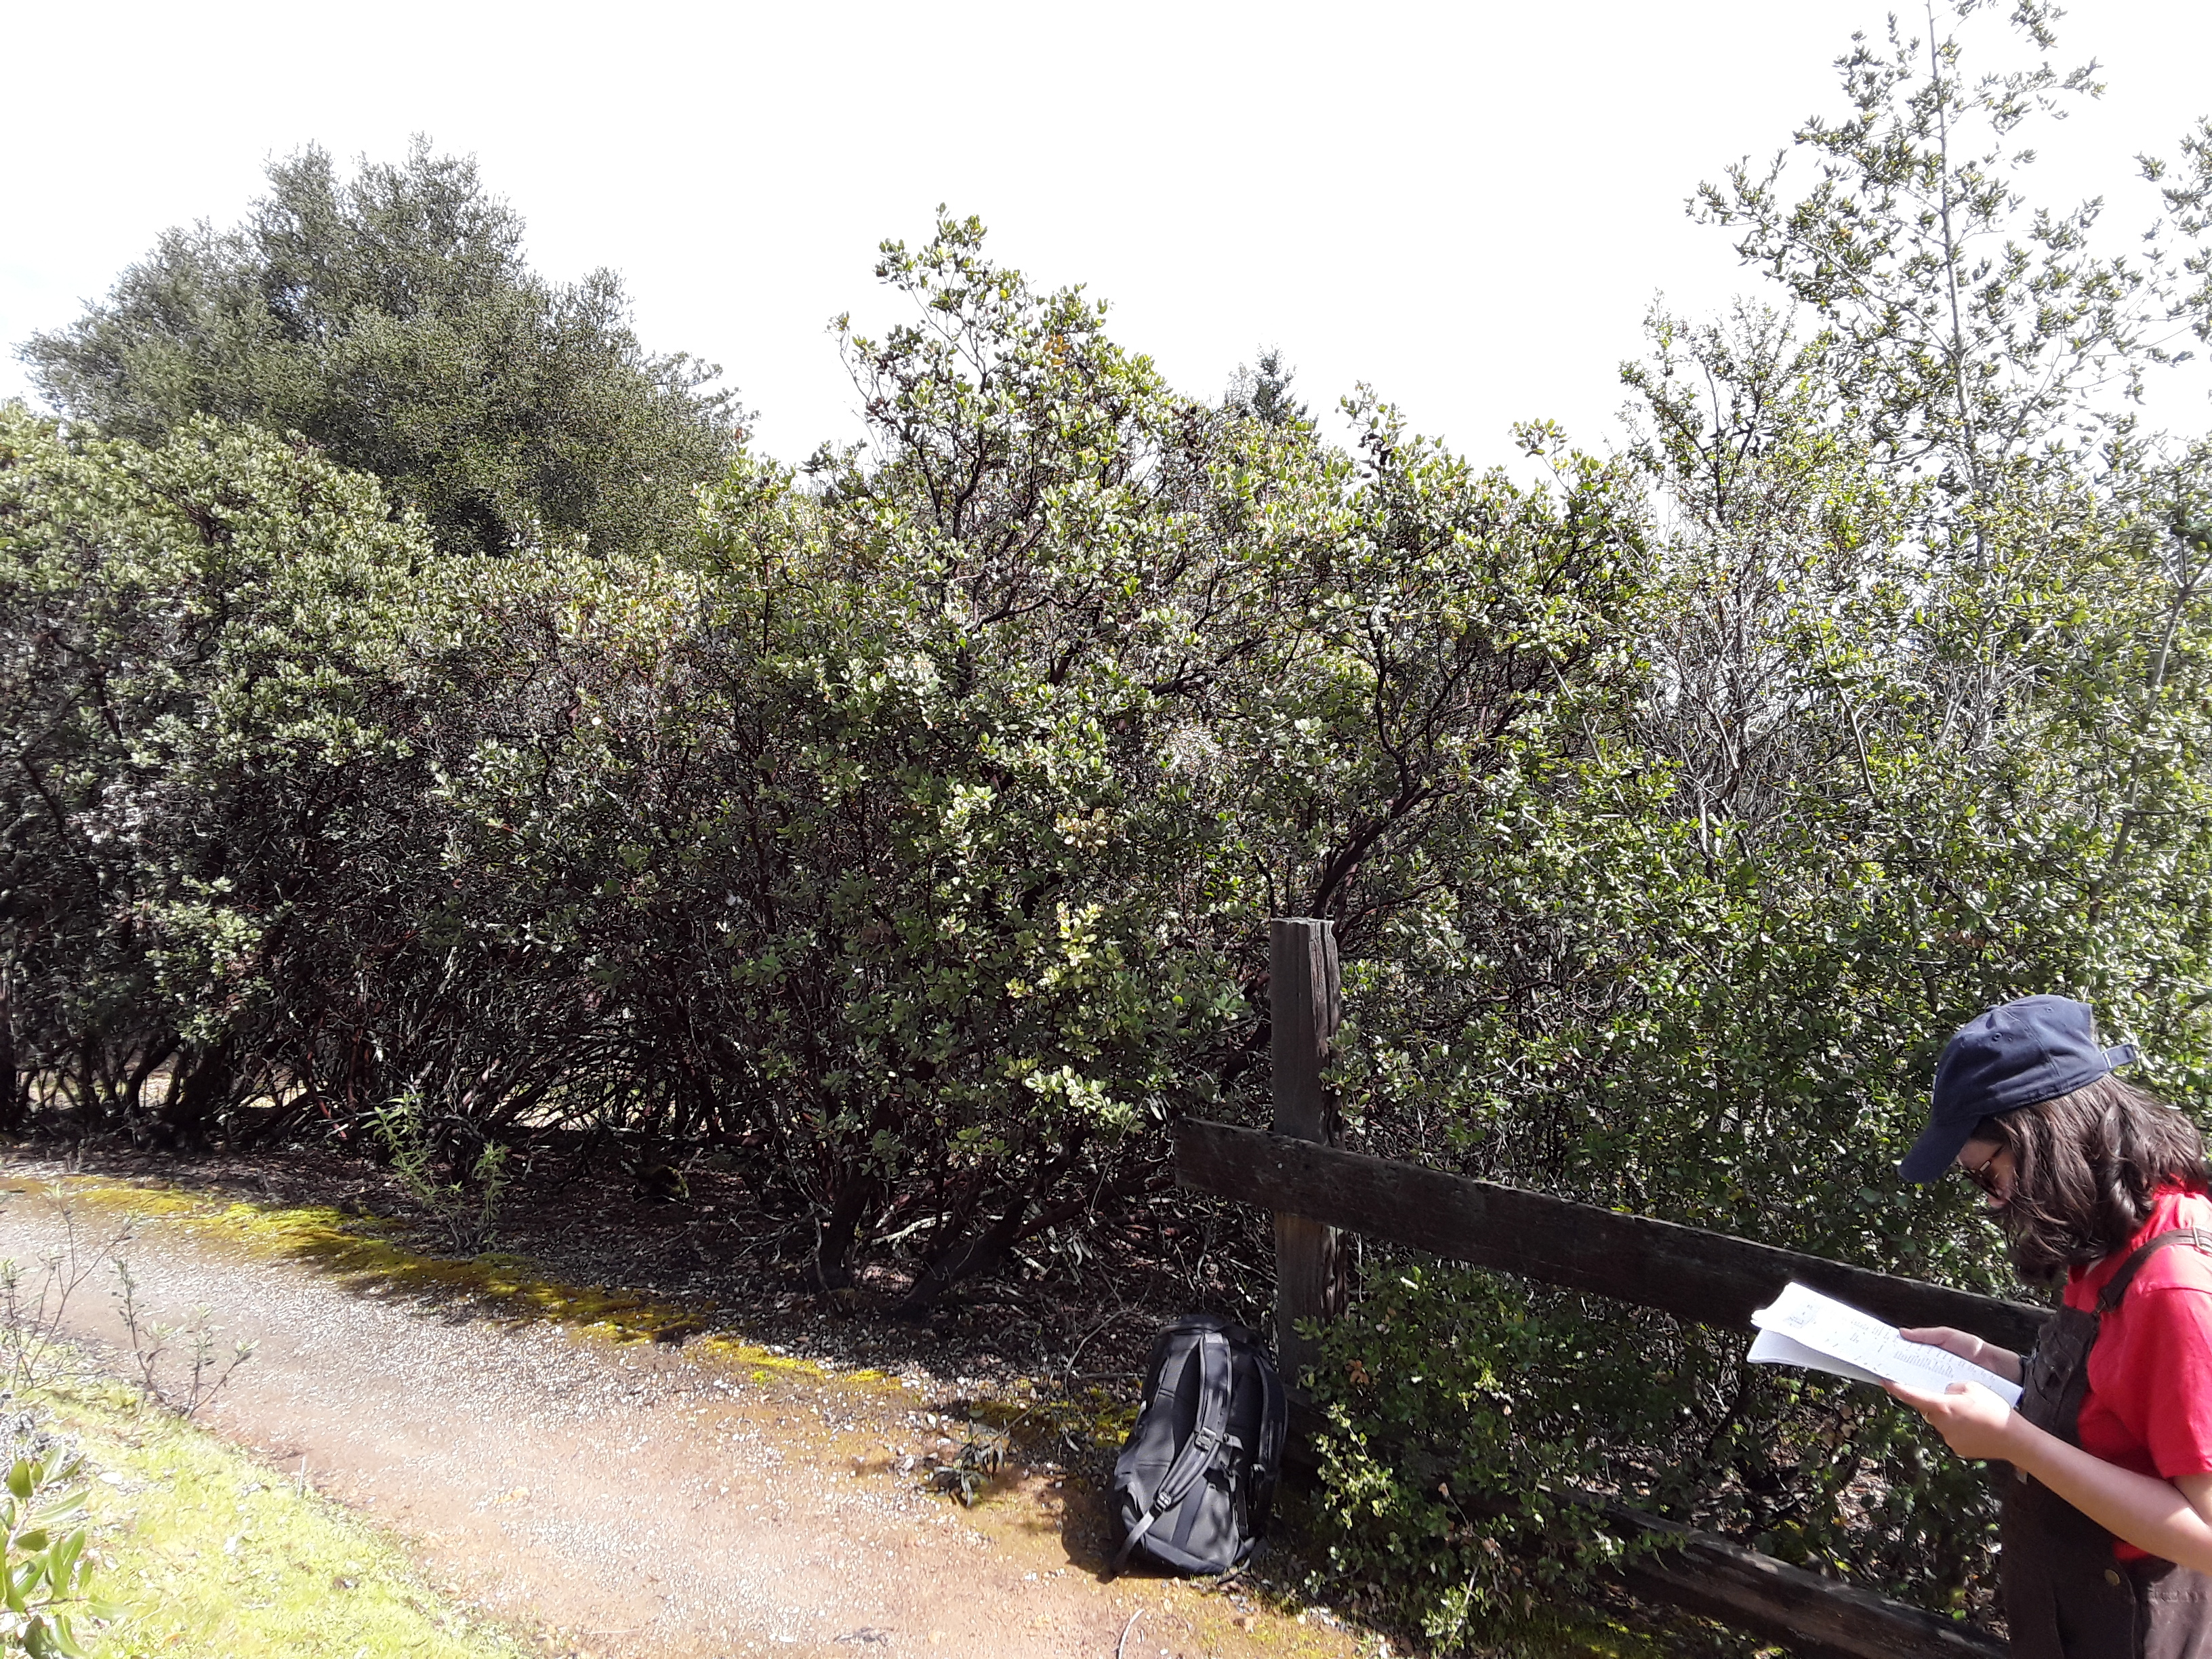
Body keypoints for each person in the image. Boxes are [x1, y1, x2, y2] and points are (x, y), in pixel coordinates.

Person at [1890, 994, 2212, 1658]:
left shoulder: (2173, 1285)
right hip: (2076, 1611)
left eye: (1989, 1174)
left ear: (2046, 1137)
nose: (1994, 1202)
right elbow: (2119, 1404)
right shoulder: (2110, 1236)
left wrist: (2016, 1442)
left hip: (2140, 1628)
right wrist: (1996, 1364)